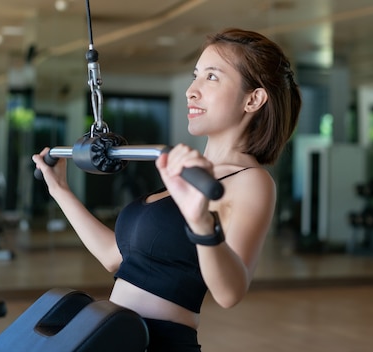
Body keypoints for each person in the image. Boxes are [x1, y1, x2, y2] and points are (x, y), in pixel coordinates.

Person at [33, 28, 301, 352]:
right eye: (195, 75)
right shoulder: (188, 173)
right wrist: (60, 189)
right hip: (113, 336)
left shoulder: (250, 180)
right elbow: (114, 259)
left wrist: (202, 222)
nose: (192, 90)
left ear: (253, 99)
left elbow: (230, 292)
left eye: (212, 77)